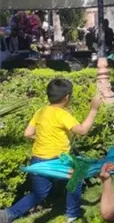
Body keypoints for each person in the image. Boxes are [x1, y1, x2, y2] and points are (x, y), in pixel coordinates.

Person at [0, 79, 102, 223]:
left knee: (39, 194)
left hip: (38, 161)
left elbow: (28, 133)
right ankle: (72, 214)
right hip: (57, 161)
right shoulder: (62, 114)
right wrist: (94, 109)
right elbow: (82, 130)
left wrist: (44, 138)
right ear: (67, 97)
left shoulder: (40, 112)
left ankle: (7, 214)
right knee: (77, 177)